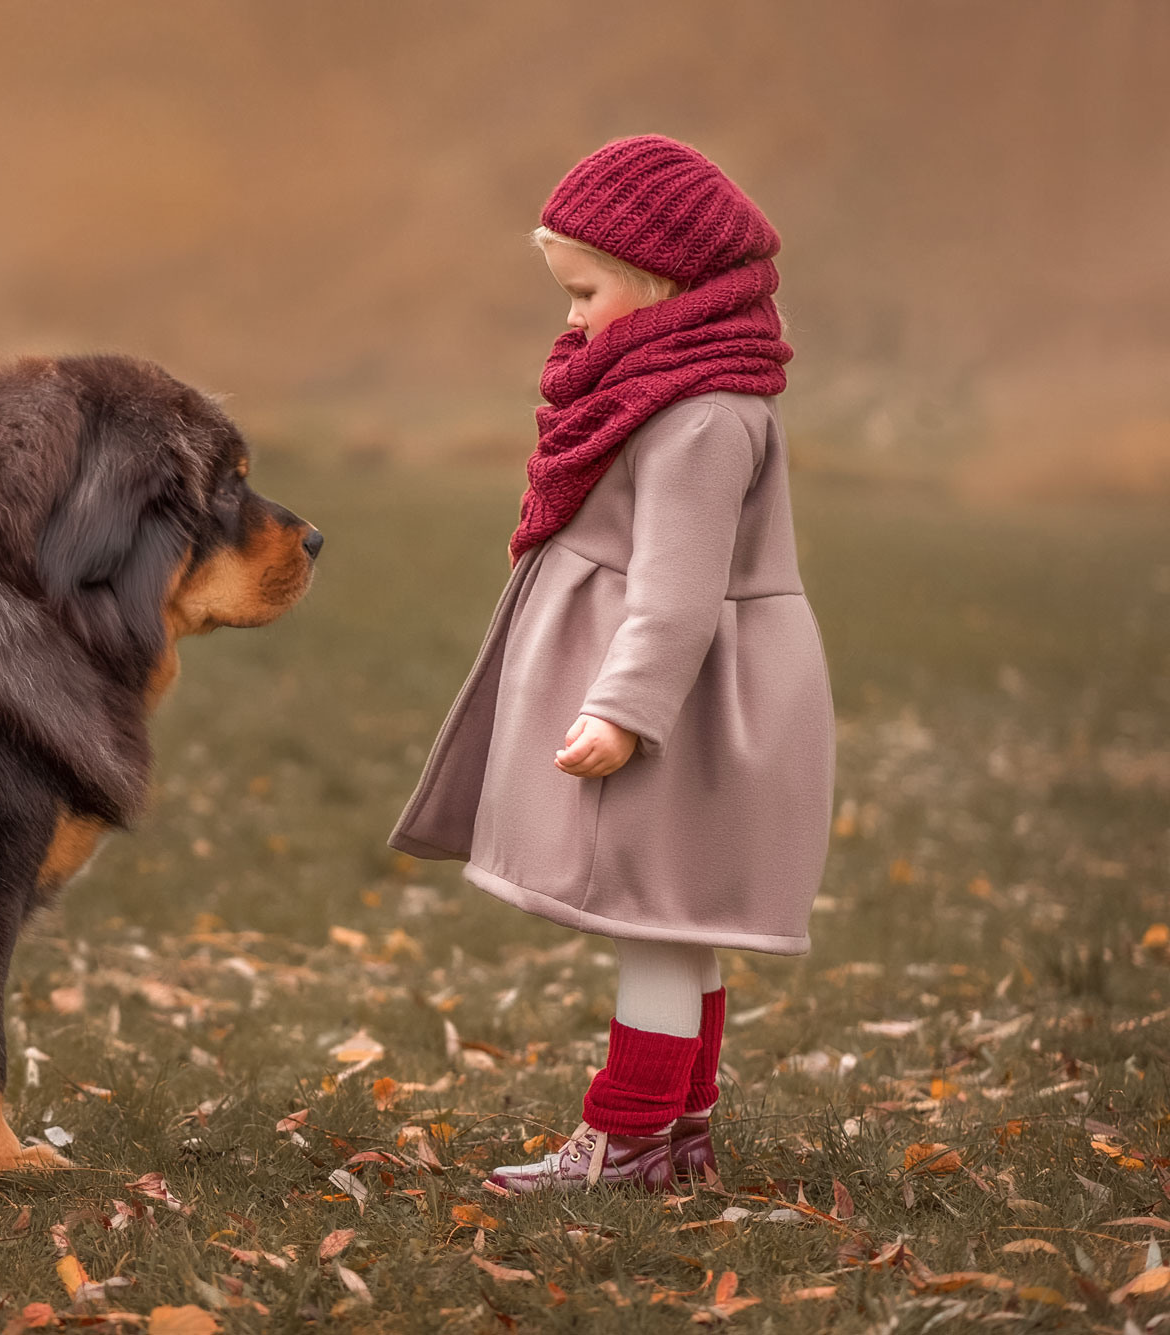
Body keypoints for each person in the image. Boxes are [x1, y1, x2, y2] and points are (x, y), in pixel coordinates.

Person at [388, 135, 835, 1193]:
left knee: (653, 918)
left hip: (685, 708)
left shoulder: (697, 418)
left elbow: (676, 593)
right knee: (678, 924)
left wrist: (623, 711)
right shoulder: (680, 390)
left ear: (665, 279)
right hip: (695, 695)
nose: (572, 317)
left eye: (585, 291)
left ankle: (627, 1139)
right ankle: (677, 1137)